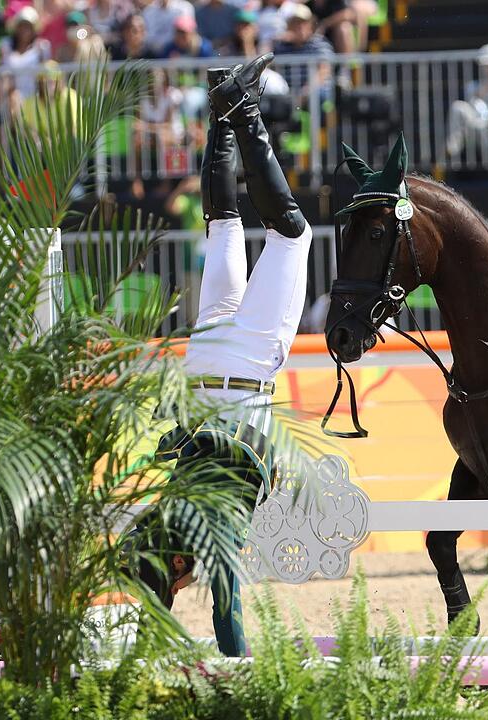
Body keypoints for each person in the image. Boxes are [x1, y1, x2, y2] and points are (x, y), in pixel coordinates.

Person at [136, 53, 313, 656]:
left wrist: (238, 667)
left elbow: (227, 609)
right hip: (204, 361)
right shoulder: (166, 509)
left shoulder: (208, 521)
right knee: (223, 227)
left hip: (244, 374)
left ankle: (243, 113)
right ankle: (222, 110)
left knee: (294, 235)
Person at [446, 43, 488, 159]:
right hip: (476, 129)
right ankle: (451, 154)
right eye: (487, 65)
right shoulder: (473, 86)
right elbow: (471, 108)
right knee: (457, 107)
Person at [273, 5, 335, 106]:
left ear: (311, 25)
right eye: (296, 23)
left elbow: (324, 71)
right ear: (289, 26)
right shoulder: (281, 46)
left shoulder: (319, 43)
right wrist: (273, 40)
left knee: (318, 96)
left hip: (314, 91)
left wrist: (304, 93)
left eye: (304, 23)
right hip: (289, 92)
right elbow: (271, 69)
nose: (300, 27)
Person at [0, 7, 53, 100]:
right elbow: (5, 75)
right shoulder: (6, 45)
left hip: (36, 98)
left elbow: (45, 74)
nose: (24, 30)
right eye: (22, 25)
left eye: (28, 26)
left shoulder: (43, 46)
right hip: (12, 99)